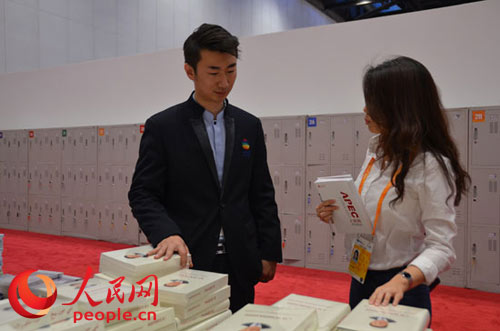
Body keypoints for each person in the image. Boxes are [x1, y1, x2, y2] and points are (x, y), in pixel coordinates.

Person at [128, 23, 282, 313]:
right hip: (187, 257)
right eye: (213, 72)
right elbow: (142, 193)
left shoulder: (250, 125)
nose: (224, 81)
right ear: (190, 72)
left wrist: (269, 250)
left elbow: (261, 192)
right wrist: (165, 234)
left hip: (240, 259)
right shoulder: (163, 127)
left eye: (231, 70)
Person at [316, 56, 469, 318]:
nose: (365, 110)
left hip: (401, 286)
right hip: (361, 274)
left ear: (399, 107)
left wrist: (403, 280)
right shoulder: (375, 151)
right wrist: (335, 212)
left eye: (373, 103)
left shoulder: (429, 165)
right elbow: (371, 212)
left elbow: (442, 247)